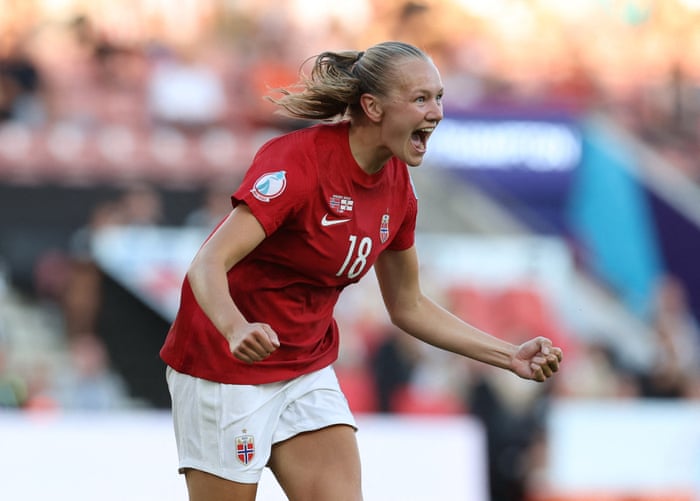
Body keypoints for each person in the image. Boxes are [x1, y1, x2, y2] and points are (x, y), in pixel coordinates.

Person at [160, 40, 563, 501]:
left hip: (303, 368)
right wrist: (235, 328)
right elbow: (207, 263)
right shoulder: (299, 162)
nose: (436, 112)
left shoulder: (399, 191)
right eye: (420, 99)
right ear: (372, 107)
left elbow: (408, 305)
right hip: (223, 367)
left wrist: (508, 355)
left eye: (439, 97)